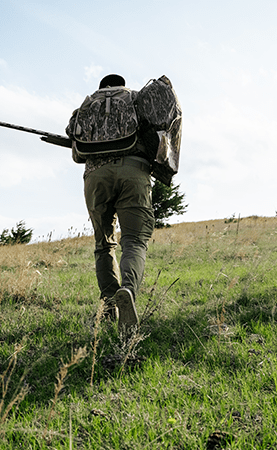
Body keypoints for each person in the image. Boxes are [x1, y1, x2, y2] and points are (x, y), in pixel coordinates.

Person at [68, 74, 155, 333]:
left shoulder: (86, 104)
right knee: (134, 240)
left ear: (102, 87)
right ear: (121, 84)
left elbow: (73, 136)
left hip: (96, 176)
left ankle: (108, 304)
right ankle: (127, 291)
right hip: (133, 171)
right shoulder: (136, 98)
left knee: (103, 243)